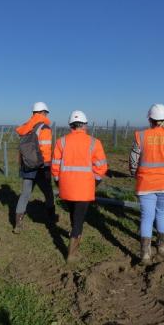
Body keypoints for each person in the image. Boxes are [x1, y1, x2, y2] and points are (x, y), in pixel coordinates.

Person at [130, 104, 164, 264]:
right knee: (161, 213)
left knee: (146, 217)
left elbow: (133, 159)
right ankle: (161, 246)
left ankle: (145, 254)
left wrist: (134, 173)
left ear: (150, 119)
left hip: (145, 183)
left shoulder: (140, 136)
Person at [51, 110, 108, 263]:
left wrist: (58, 181)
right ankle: (72, 253)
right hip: (84, 188)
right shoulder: (94, 142)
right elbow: (101, 167)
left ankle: (74, 239)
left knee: (73, 215)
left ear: (71, 125)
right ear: (85, 125)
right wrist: (95, 181)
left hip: (66, 186)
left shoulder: (61, 142)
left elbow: (55, 165)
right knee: (78, 220)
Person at [13, 102, 56, 233]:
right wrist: (48, 168)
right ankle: (51, 218)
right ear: (43, 112)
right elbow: (46, 148)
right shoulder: (45, 127)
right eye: (46, 112)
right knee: (48, 193)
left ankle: (18, 224)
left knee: (25, 194)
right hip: (41, 166)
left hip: (27, 165)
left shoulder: (26, 126)